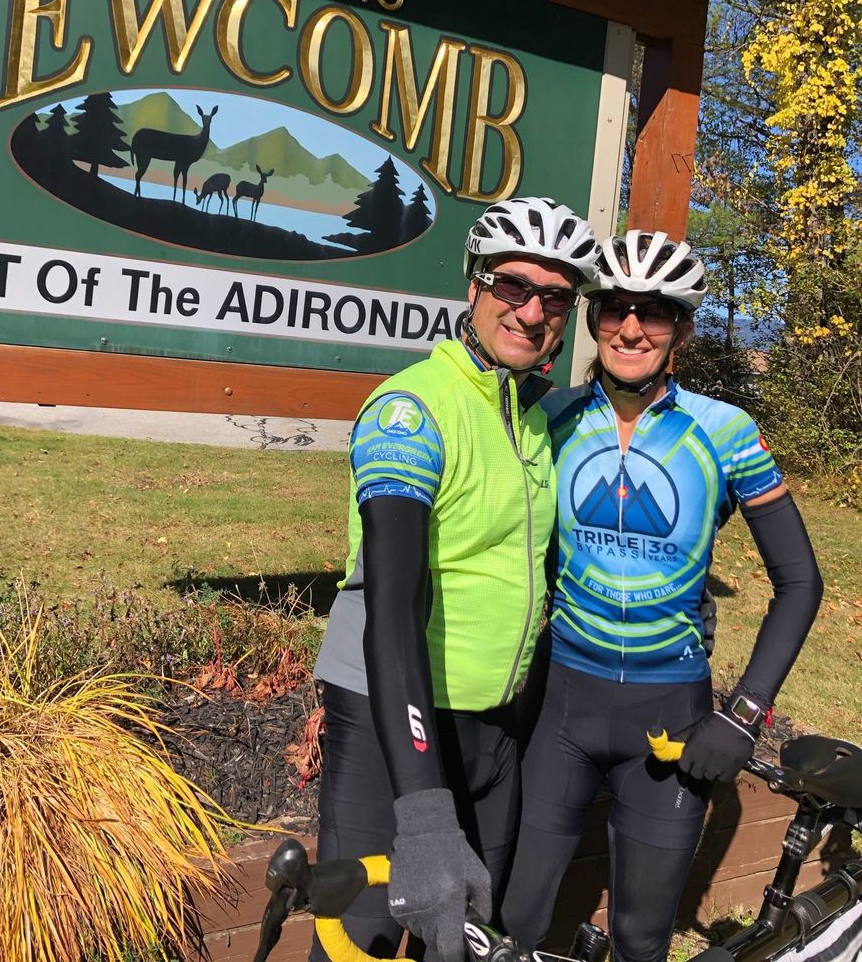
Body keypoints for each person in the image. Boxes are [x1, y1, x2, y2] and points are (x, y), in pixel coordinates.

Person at [501, 230, 824, 962]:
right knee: (516, 921)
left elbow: (801, 581)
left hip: (671, 714)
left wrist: (744, 716)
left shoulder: (725, 431)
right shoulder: (550, 416)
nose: (631, 328)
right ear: (593, 319)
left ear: (680, 328)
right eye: (614, 308)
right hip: (561, 707)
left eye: (653, 312)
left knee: (643, 937)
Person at [311, 198, 601, 962]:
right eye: (513, 286)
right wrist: (422, 812)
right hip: (392, 715)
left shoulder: (532, 418)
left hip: (493, 723)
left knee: (469, 938)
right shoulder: (410, 410)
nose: (531, 312)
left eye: (554, 298)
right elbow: (392, 605)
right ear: (474, 285)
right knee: (359, 944)